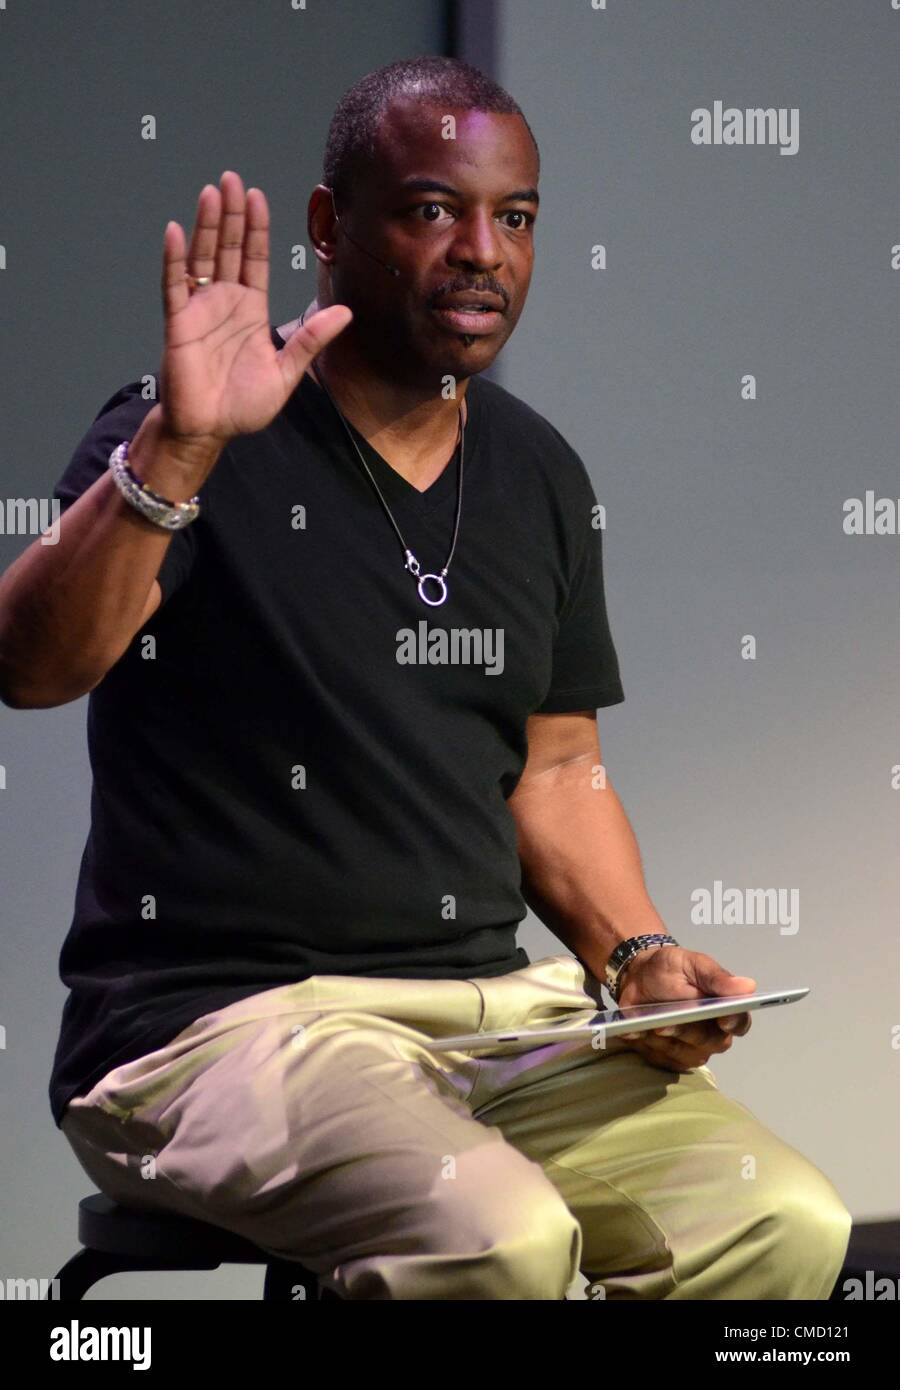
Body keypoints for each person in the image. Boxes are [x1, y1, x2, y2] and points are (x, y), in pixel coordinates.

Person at [0, 56, 850, 1299]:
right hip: (218, 1028)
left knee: (783, 1222)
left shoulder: (540, 474)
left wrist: (635, 958)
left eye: (514, 218)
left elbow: (556, 771)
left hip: (494, 1017)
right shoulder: (187, 431)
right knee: (496, 1238)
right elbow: (33, 665)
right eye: (430, 209)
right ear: (332, 228)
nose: (480, 250)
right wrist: (178, 446)